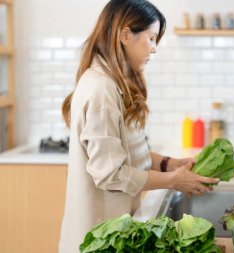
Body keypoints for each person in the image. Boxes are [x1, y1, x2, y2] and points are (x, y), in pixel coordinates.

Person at [58, 1, 219, 252]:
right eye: (152, 38)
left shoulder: (113, 83)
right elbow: (112, 174)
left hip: (113, 232)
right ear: (125, 35)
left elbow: (125, 153)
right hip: (98, 239)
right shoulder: (101, 89)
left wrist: (168, 164)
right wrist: (173, 180)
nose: (154, 49)